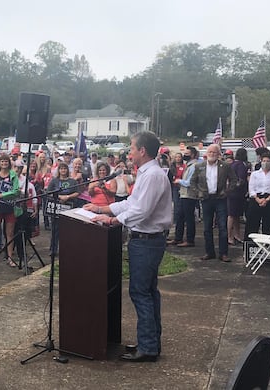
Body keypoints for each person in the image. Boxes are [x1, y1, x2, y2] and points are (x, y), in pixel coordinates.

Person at [84, 131, 171, 362]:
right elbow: (132, 203)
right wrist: (103, 210)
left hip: (147, 241)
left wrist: (112, 221)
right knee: (148, 293)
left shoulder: (152, 175)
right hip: (145, 241)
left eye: (132, 148)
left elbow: (142, 211)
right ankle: (149, 342)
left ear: (142, 150)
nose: (129, 153)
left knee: (141, 293)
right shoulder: (146, 173)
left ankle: (149, 348)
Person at [190, 143, 237, 262]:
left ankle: (223, 253)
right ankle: (209, 252)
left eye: (214, 152)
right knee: (207, 228)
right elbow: (192, 182)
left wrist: (227, 192)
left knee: (222, 227)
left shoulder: (225, 166)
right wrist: (198, 193)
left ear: (219, 154)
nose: (212, 154)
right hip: (206, 199)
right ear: (206, 154)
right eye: (210, 152)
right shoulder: (199, 166)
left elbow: (234, 180)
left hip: (220, 199)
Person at [244, 153, 270, 240]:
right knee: (252, 224)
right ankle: (249, 247)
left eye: (268, 161)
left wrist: (267, 200)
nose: (265, 163)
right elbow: (251, 188)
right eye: (264, 161)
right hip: (256, 198)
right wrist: (258, 199)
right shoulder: (255, 174)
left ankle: (268, 247)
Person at [46, 162, 79, 257]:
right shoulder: (54, 181)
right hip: (56, 207)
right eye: (61, 168)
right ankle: (53, 249)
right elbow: (48, 192)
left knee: (67, 230)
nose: (63, 170)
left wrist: (67, 197)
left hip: (69, 207)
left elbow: (77, 193)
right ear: (59, 170)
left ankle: (66, 249)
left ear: (67, 170)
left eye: (65, 168)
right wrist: (59, 197)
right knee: (54, 230)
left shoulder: (72, 181)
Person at [171, 146, 199, 247]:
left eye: (187, 154)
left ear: (192, 154)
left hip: (190, 195)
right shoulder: (189, 165)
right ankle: (178, 238)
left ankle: (190, 240)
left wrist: (179, 181)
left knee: (189, 218)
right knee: (180, 216)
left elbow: (190, 182)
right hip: (183, 194)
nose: (184, 155)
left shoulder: (194, 166)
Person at [227, 148, 249, 245]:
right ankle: (230, 236)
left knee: (235, 216)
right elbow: (240, 179)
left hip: (231, 193)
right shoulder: (241, 165)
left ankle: (236, 235)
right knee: (232, 215)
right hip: (237, 193)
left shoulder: (232, 164)